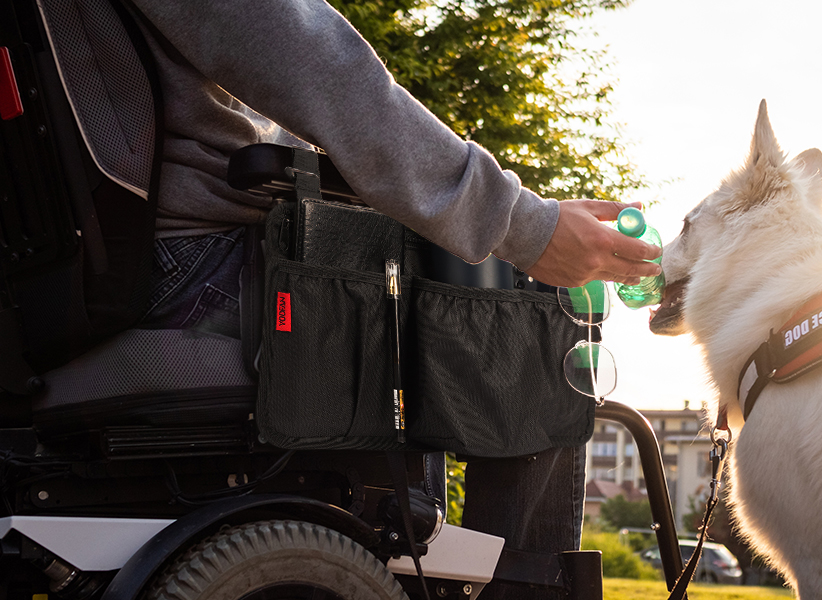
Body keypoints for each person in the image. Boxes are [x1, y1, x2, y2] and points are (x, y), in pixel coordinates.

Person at [115, 1, 656, 597]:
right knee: (535, 311)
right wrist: (527, 228)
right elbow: (322, 68)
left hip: (96, 277)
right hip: (201, 273)